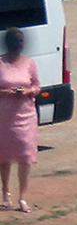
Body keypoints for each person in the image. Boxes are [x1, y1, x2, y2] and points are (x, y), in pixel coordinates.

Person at [0, 28, 40, 213]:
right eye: (16, 43)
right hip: (5, 117)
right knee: (4, 156)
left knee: (25, 156)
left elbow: (37, 86)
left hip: (26, 115)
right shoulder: (0, 63)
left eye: (21, 43)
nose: (19, 46)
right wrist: (6, 92)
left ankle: (22, 197)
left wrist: (28, 92)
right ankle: (5, 191)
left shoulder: (29, 63)